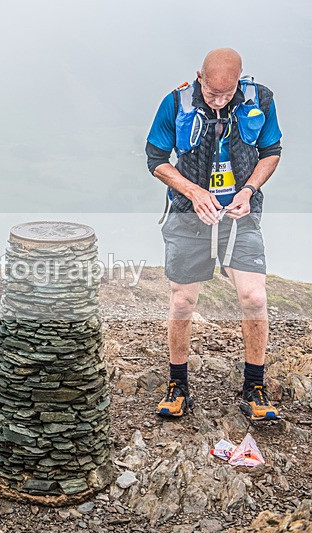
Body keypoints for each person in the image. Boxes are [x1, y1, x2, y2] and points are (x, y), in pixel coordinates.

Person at [145, 48, 282, 421]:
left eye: (227, 93)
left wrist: (248, 190)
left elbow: (271, 151)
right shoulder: (175, 103)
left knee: (254, 298)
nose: (219, 101)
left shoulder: (260, 100)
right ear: (199, 77)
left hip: (240, 215)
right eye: (211, 93)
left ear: (239, 81)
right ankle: (178, 386)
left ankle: (254, 387)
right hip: (189, 217)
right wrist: (194, 191)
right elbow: (155, 159)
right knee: (182, 302)